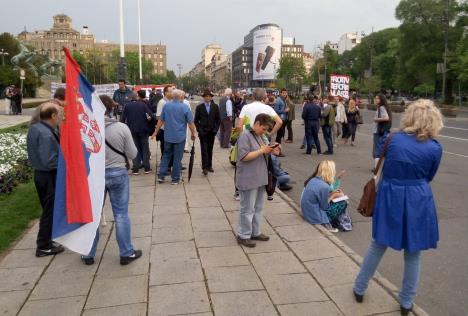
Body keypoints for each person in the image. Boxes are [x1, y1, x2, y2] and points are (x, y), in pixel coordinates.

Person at [353, 100, 444, 315]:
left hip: (390, 195)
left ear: (409, 116)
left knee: (378, 244)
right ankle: (406, 302)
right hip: (418, 198)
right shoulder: (434, 147)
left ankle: (359, 287)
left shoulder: (392, 139)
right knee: (413, 253)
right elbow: (429, 176)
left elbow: (382, 167)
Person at [81, 95, 142, 266]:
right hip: (117, 173)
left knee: (93, 215)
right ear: (110, 109)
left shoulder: (86, 130)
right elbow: (133, 154)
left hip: (95, 176)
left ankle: (88, 253)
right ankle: (126, 252)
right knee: (121, 214)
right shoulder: (121, 128)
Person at [236, 113, 280, 248]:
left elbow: (265, 150)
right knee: (247, 208)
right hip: (249, 178)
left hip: (261, 177)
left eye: (266, 129)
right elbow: (244, 157)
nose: (264, 131)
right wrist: (263, 151)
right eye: (263, 128)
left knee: (258, 207)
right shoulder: (245, 136)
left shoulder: (261, 136)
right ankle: (243, 235)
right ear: (257, 124)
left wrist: (273, 150)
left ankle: (255, 231)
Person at [26, 102, 65, 257]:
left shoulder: (36, 128)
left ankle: (47, 240)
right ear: (53, 116)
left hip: (40, 174)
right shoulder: (46, 134)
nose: (60, 117)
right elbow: (49, 161)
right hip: (48, 175)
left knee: (48, 208)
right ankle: (43, 246)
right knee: (49, 211)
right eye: (59, 114)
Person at [154, 89, 197, 185]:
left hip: (168, 136)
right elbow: (190, 123)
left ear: (173, 96)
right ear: (181, 97)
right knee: (177, 158)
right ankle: (175, 178)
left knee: (166, 156)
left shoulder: (166, 106)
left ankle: (161, 176)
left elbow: (161, 120)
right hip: (179, 137)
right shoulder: (185, 107)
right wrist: (193, 134)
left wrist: (156, 131)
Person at [300, 160, 343, 233]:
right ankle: (329, 223)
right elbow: (324, 207)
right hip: (314, 216)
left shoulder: (313, 179)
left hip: (306, 212)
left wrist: (332, 194)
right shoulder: (324, 186)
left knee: (337, 199)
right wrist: (333, 196)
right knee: (342, 203)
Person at [120, 90, 153, 175]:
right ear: (137, 97)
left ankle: (135, 168)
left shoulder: (127, 106)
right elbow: (150, 115)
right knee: (145, 149)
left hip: (132, 130)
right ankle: (147, 168)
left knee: (135, 148)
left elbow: (122, 119)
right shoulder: (143, 104)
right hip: (143, 129)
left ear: (130, 98)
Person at [194, 89, 221, 175]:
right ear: (204, 98)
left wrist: (216, 130)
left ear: (211, 97)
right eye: (206, 96)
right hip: (203, 132)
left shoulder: (215, 107)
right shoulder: (199, 107)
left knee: (210, 149)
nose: (208, 98)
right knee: (204, 150)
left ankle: (209, 166)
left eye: (209, 96)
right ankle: (204, 167)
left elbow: (218, 120)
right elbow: (196, 120)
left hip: (212, 132)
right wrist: (199, 130)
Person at [372, 93, 392, 166]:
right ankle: (378, 165)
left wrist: (376, 119)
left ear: (381, 100)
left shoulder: (381, 107)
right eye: (375, 98)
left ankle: (376, 167)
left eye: (377, 98)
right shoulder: (383, 107)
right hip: (380, 130)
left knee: (377, 148)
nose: (376, 99)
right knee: (379, 147)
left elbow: (386, 118)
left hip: (378, 130)